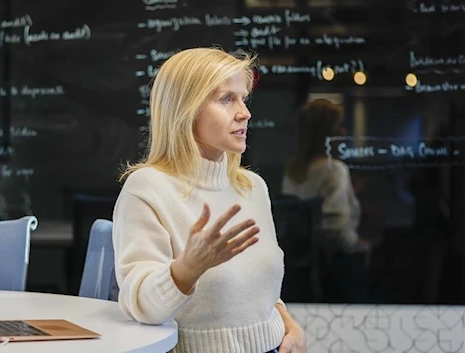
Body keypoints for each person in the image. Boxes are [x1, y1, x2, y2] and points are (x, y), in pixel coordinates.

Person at [112, 47, 306, 353]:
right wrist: (188, 268)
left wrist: (287, 322)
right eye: (227, 99)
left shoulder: (252, 187)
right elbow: (141, 307)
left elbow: (258, 291)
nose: (245, 112)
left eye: (243, 98)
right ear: (185, 109)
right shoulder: (147, 188)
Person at [281, 98, 370, 302]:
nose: (343, 132)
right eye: (338, 127)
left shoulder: (293, 169)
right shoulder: (335, 170)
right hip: (336, 271)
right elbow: (336, 227)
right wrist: (361, 245)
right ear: (326, 133)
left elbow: (304, 212)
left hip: (303, 271)